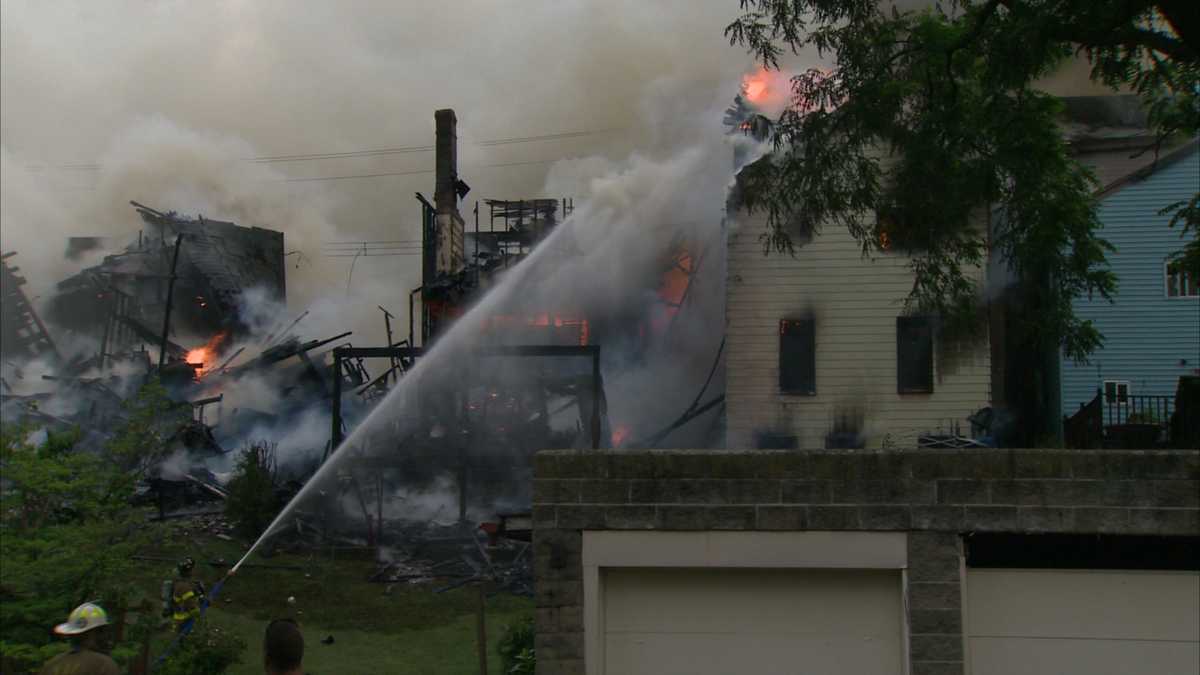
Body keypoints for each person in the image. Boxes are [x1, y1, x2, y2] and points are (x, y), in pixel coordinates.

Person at [39, 602, 120, 675]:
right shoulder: (104, 665)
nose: (106, 639)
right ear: (97, 633)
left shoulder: (51, 665)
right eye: (103, 632)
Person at [164, 557, 206, 631]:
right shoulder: (183, 586)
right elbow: (190, 604)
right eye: (192, 569)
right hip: (183, 619)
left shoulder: (181, 582)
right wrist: (200, 610)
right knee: (181, 636)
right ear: (188, 571)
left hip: (180, 616)